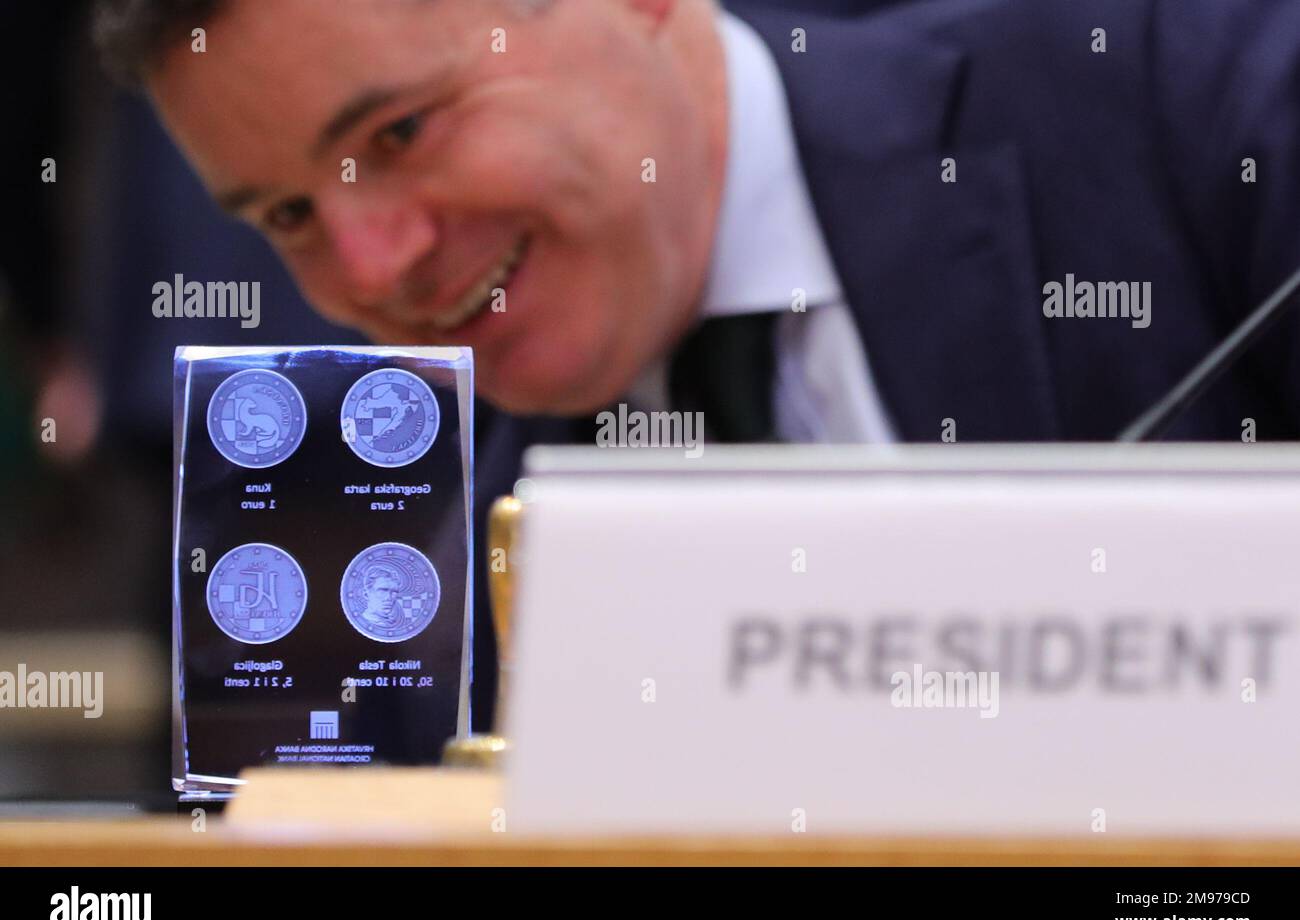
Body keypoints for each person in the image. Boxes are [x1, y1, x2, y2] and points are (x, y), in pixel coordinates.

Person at [93, 0, 1300, 724]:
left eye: (398, 133)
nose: (374, 262)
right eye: (291, 217)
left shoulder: (1183, 105)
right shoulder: (446, 634)